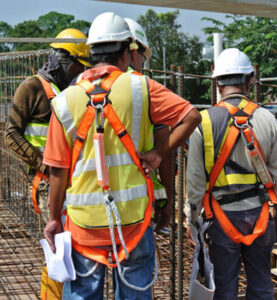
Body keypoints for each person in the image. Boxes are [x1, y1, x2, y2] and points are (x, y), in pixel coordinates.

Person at [43, 12, 201, 299]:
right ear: (127, 52)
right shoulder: (142, 87)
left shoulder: (64, 101)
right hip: (134, 222)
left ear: (90, 53)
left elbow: (57, 169)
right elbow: (191, 116)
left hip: (83, 226)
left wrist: (54, 218)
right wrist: (156, 154)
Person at [186, 48, 277, 300]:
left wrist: (193, 222)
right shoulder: (267, 118)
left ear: (217, 83)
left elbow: (195, 184)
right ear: (249, 80)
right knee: (262, 285)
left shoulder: (202, 122)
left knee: (224, 289)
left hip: (221, 219)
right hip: (261, 217)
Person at [5, 28, 91, 222]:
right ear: (65, 60)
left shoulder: (74, 90)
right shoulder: (31, 88)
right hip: (46, 178)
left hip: (75, 176)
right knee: (60, 236)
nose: (81, 71)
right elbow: (11, 135)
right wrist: (45, 166)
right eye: (79, 65)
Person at [125, 17, 173, 231]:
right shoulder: (147, 90)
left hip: (89, 211)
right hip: (138, 208)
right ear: (134, 52)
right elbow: (166, 154)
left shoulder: (80, 87)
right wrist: (168, 203)